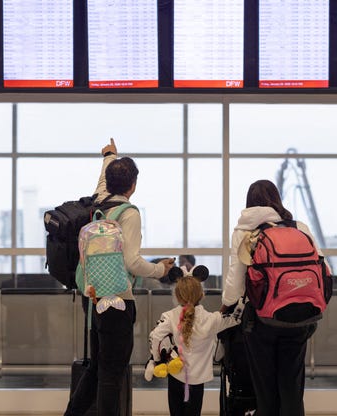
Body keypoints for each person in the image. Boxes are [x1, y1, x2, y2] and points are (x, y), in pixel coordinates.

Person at [64, 138, 174, 416]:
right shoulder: (130, 214)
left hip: (92, 299)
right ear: (133, 185)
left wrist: (109, 156)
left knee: (97, 367)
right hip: (118, 303)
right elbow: (132, 262)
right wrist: (161, 270)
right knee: (112, 374)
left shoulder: (98, 202)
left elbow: (104, 180)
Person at [221, 179, 330, 416]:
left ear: (249, 202)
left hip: (262, 319)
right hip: (302, 317)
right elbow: (322, 267)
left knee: (265, 386)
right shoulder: (299, 227)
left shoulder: (245, 231)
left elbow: (236, 278)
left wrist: (226, 305)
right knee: (292, 386)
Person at [149, 274, 241, 416]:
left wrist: (157, 360)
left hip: (176, 376)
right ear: (202, 294)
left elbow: (155, 336)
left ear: (177, 296)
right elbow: (236, 318)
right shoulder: (213, 319)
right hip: (197, 381)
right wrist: (242, 301)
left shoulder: (169, 316)